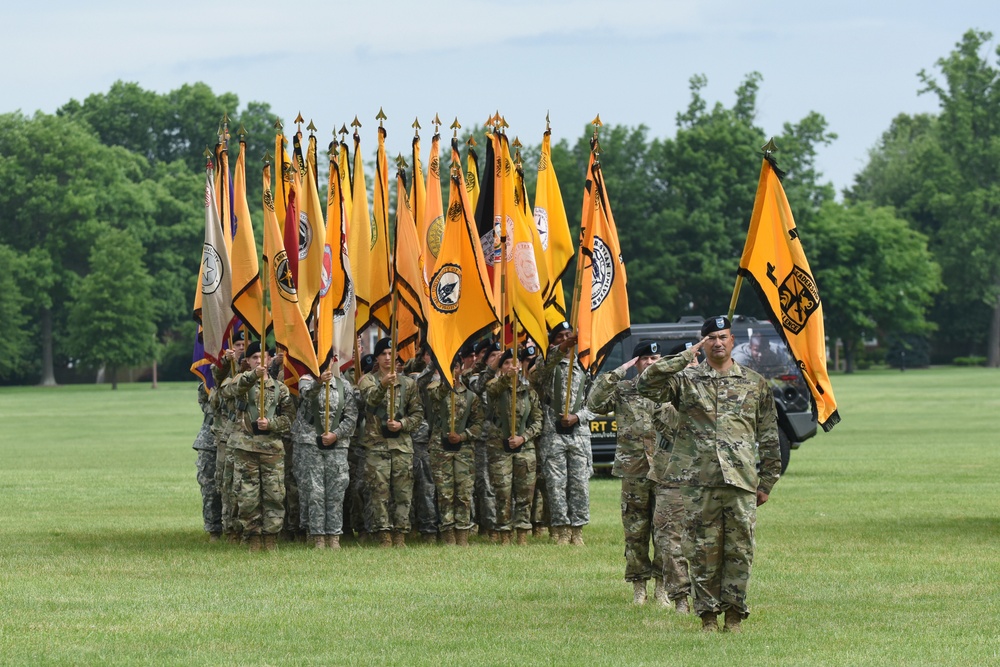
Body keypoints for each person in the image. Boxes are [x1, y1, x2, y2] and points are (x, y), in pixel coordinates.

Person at [636, 316, 781, 633]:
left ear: (732, 341)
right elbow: (646, 382)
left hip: (740, 482)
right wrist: (686, 356)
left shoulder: (754, 383)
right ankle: (707, 618)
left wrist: (767, 481)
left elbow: (769, 436)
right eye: (711, 337)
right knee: (702, 552)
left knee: (739, 552)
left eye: (723, 336)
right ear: (704, 343)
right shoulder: (686, 381)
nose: (718, 342)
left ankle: (733, 615)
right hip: (697, 483)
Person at [588, 341, 675, 605]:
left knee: (665, 532)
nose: (651, 362)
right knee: (635, 531)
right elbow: (594, 402)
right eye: (646, 358)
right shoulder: (624, 389)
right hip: (634, 469)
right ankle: (639, 588)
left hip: (665, 470)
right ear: (636, 362)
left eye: (656, 358)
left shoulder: (672, 390)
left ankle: (662, 588)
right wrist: (617, 372)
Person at [221, 342, 296, 552]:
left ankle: (270, 538)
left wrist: (271, 424)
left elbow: (290, 418)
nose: (260, 362)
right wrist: (252, 375)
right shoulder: (242, 382)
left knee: (274, 494)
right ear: (248, 361)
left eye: (263, 357)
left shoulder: (280, 388)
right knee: (247, 495)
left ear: (270, 359)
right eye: (254, 358)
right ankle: (252, 536)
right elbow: (227, 391)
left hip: (271, 449)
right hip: (246, 448)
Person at [358, 337, 424, 547]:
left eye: (391, 354)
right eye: (383, 354)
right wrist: (383, 386)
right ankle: (383, 534)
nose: (388, 358)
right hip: (376, 447)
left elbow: (417, 414)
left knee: (403, 493)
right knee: (379, 492)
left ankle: (400, 533)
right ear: (377, 357)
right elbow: (369, 401)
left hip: (402, 447)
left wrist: (403, 424)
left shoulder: (409, 384)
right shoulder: (368, 380)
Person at [533, 321, 595, 546]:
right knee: (556, 484)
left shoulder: (585, 366)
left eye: (569, 335)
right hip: (553, 434)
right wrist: (562, 347)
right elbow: (539, 371)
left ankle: (577, 530)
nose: (567, 339)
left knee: (579, 484)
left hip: (579, 435)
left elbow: (596, 404)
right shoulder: (548, 365)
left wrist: (578, 417)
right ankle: (560, 530)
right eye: (560, 336)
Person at [295, 364, 359, 549]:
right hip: (310, 442)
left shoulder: (343, 385)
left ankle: (334, 536)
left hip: (337, 445)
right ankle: (317, 537)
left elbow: (351, 416)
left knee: (336, 491)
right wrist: (319, 382)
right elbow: (306, 396)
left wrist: (336, 434)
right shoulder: (306, 381)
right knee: (314, 491)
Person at [485, 348, 543, 546]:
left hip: (524, 449)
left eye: (514, 363)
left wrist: (523, 437)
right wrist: (505, 378)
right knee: (502, 492)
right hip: (499, 448)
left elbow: (538, 422)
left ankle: (522, 532)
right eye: (506, 363)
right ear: (501, 367)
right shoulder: (494, 387)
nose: (511, 367)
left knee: (525, 492)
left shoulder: (529, 392)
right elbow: (492, 391)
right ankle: (504, 533)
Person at [426, 356, 484, 546]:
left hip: (464, 450)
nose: (453, 370)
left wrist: (464, 435)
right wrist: (446, 382)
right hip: (440, 449)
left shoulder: (470, 397)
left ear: (460, 368)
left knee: (464, 492)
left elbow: (478, 424)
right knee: (445, 493)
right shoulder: (435, 389)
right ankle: (448, 532)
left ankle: (463, 533)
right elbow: (435, 397)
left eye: (455, 367)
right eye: (448, 367)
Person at [192, 381, 221, 541]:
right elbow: (203, 400)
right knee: (209, 486)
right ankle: (214, 530)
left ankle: (236, 529)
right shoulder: (209, 379)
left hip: (236, 436)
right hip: (209, 438)